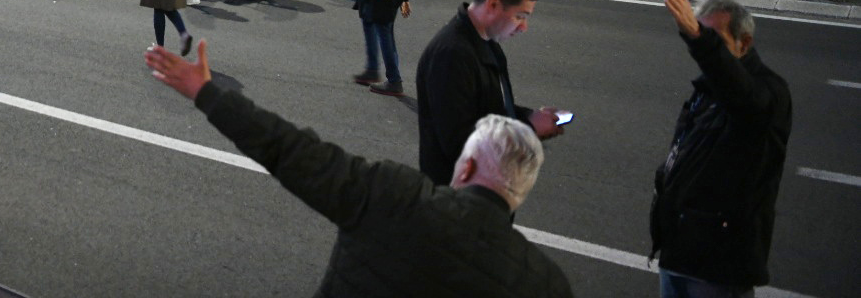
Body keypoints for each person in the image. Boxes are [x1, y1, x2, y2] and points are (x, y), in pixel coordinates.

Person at [144, 41, 573, 297]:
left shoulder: (394, 194)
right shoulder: (546, 283)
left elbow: (292, 151)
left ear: (469, 164)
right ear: (521, 189)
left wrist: (206, 93)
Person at [651, 0, 792, 297]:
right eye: (703, 33)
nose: (705, 48)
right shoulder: (708, 88)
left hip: (718, 267)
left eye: (715, 38)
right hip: (679, 254)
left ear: (744, 42)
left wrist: (699, 39)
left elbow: (742, 98)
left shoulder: (767, 92)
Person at [415, 0, 565, 183]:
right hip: (457, 195)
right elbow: (460, 145)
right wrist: (529, 129)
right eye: (520, 16)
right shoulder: (451, 55)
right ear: (493, 5)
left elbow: (489, 109)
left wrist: (529, 117)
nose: (524, 27)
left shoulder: (487, 42)